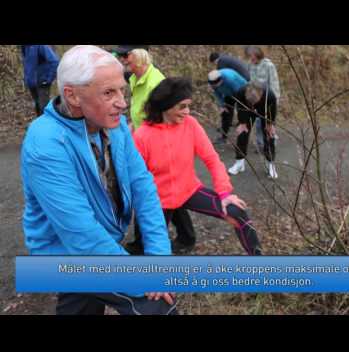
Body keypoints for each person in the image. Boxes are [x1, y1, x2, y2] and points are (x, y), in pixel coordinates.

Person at [21, 45, 176, 315]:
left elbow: (143, 187)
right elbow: (81, 235)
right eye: (108, 93)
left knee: (81, 305)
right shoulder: (45, 144)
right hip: (64, 254)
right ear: (72, 95)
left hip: (100, 241)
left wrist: (159, 258)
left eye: (121, 90)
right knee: (157, 308)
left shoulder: (113, 124)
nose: (123, 103)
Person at [134, 77, 262, 256]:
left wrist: (225, 193)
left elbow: (211, 159)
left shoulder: (190, 125)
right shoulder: (142, 136)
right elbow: (136, 180)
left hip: (188, 191)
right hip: (157, 201)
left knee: (237, 212)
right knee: (149, 250)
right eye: (182, 106)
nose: (187, 111)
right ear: (166, 106)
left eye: (188, 106)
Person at [114, 46, 197, 254]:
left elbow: (163, 117)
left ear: (141, 60)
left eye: (128, 58)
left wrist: (142, 137)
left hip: (158, 143)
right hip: (143, 139)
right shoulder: (135, 78)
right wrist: (133, 127)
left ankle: (143, 243)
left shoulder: (155, 82)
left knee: (150, 193)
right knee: (168, 193)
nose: (124, 61)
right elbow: (138, 111)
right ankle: (187, 236)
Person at [228, 81, 278, 179]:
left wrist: (270, 123)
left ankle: (270, 164)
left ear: (261, 95)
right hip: (247, 111)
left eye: (254, 102)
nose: (253, 104)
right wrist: (242, 122)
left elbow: (273, 110)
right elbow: (240, 108)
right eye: (250, 101)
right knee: (242, 132)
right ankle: (239, 163)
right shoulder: (241, 92)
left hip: (265, 111)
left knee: (269, 135)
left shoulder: (270, 95)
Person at [244, 46, 281, 151]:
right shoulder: (250, 65)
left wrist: (275, 101)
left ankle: (270, 142)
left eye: (252, 55)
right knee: (258, 123)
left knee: (266, 123)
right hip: (255, 99)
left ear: (257, 54)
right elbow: (249, 82)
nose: (250, 58)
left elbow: (274, 83)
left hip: (268, 99)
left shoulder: (269, 66)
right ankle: (261, 144)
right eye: (249, 56)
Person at [208, 69, 248, 144]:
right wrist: (222, 105)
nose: (215, 87)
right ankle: (223, 137)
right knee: (225, 113)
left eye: (217, 85)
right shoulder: (212, 81)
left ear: (220, 80)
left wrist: (241, 108)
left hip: (241, 91)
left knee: (242, 113)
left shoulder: (230, 79)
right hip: (228, 94)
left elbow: (239, 94)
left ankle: (242, 138)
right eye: (214, 86)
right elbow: (217, 94)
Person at [20, 45, 60, 117]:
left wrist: (48, 79)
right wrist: (27, 79)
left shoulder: (41, 46)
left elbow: (54, 61)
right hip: (32, 82)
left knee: (44, 108)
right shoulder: (24, 47)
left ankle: (49, 125)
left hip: (42, 82)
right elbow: (27, 64)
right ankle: (40, 125)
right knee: (38, 106)